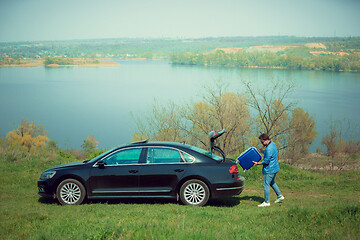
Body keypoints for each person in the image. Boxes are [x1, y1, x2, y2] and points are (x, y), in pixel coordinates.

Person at [253, 133, 284, 207]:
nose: (262, 143)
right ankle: (280, 196)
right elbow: (270, 155)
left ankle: (267, 202)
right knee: (272, 182)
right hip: (275, 168)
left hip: (270, 170)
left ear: (266, 140)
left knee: (265, 184)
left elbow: (266, 161)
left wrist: (257, 163)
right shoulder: (273, 144)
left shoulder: (268, 149)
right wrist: (262, 151)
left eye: (262, 142)